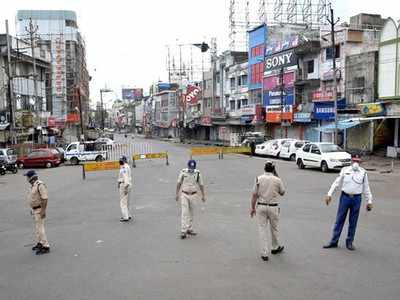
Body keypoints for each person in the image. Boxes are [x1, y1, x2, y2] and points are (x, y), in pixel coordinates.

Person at [323, 155, 373, 251]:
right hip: (345, 197)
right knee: (339, 220)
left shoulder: (363, 173)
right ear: (351, 161)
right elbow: (336, 182)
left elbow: (366, 188)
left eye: (358, 161)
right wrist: (329, 194)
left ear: (360, 162)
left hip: (356, 199)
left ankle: (350, 242)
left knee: (353, 222)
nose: (355, 163)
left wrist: (369, 201)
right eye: (354, 161)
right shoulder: (345, 170)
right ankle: (334, 241)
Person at [250, 161, 285, 261]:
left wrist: (252, 208)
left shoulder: (258, 179)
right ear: (273, 169)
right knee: (274, 228)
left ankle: (264, 253)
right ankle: (275, 247)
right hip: (273, 207)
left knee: (262, 229)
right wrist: (277, 175)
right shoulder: (277, 180)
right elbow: (282, 192)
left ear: (264, 168)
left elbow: (254, 195)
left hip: (261, 206)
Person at [176, 159, 205, 239]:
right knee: (184, 213)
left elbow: (201, 184)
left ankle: (189, 228)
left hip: (193, 195)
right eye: (190, 167)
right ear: (188, 166)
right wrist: (177, 194)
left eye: (193, 168)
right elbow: (178, 183)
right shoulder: (183, 172)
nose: (191, 169)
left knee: (192, 213)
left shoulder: (198, 173)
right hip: (184, 194)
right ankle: (183, 231)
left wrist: (203, 195)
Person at [24, 170, 50, 255]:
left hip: (39, 209)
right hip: (35, 209)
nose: (26, 178)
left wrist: (43, 211)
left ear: (31, 177)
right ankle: (40, 243)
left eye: (27, 177)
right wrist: (32, 209)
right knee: (37, 228)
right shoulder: (33, 185)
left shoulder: (40, 185)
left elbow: (45, 199)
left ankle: (46, 246)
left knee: (40, 229)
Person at [118, 155, 132, 222]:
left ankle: (125, 217)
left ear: (124, 160)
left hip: (124, 185)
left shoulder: (124, 167)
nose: (120, 161)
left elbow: (125, 177)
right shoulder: (126, 166)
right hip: (127, 184)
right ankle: (128, 215)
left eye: (121, 160)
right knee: (127, 201)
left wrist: (125, 187)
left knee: (123, 202)